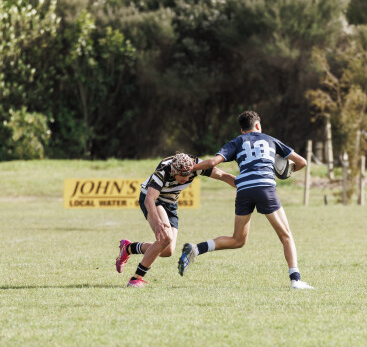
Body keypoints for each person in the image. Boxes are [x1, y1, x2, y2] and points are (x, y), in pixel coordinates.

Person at [177, 111, 314, 290]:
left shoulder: (237, 142)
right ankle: (295, 280)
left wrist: (191, 168)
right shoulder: (270, 140)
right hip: (265, 188)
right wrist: (284, 172)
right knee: (286, 235)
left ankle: (196, 249)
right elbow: (302, 162)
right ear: (258, 126)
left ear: (242, 130)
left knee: (238, 240)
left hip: (243, 190)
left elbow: (212, 163)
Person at [116, 153, 236, 287]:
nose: (186, 178)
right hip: (153, 201)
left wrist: (245, 187)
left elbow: (223, 175)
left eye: (188, 175)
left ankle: (129, 248)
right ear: (174, 172)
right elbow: (149, 199)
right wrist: (158, 222)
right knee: (165, 238)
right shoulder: (163, 172)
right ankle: (135, 279)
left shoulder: (194, 166)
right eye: (182, 175)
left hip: (170, 203)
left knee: (167, 251)